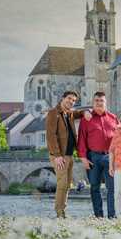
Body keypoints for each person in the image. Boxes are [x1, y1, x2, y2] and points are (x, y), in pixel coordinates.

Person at [46, 90, 91, 219]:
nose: (71, 102)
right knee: (62, 183)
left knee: (67, 184)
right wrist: (57, 155)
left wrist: (84, 112)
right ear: (62, 98)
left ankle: (62, 211)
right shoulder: (53, 113)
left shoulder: (69, 113)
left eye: (73, 100)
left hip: (69, 154)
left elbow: (77, 113)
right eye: (69, 99)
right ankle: (59, 212)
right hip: (59, 155)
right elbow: (51, 135)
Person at [77, 91, 119, 218]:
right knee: (94, 187)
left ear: (106, 103)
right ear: (93, 102)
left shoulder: (113, 118)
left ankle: (112, 216)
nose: (99, 103)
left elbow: (120, 137)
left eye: (102, 101)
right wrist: (83, 158)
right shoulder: (86, 119)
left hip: (110, 157)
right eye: (97, 101)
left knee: (111, 188)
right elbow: (81, 139)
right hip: (93, 157)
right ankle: (98, 216)